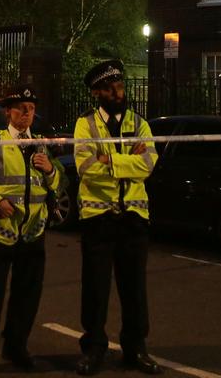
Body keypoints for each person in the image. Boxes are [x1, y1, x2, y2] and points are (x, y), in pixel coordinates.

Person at [0, 84, 62, 378]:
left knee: (27, 296)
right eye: (21, 109)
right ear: (8, 112)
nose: (27, 114)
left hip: (33, 233)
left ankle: (16, 347)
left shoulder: (41, 144)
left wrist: (51, 172)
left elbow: (57, 187)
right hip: (1, 233)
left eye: (31, 109)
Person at [74, 59, 162, 375]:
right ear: (97, 92)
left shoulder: (140, 124)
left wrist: (108, 159)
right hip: (98, 219)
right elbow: (86, 169)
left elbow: (148, 165)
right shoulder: (85, 125)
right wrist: (126, 161)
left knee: (134, 287)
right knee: (95, 288)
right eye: (111, 88)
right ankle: (93, 348)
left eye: (120, 86)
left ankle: (135, 348)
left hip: (134, 218)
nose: (118, 92)